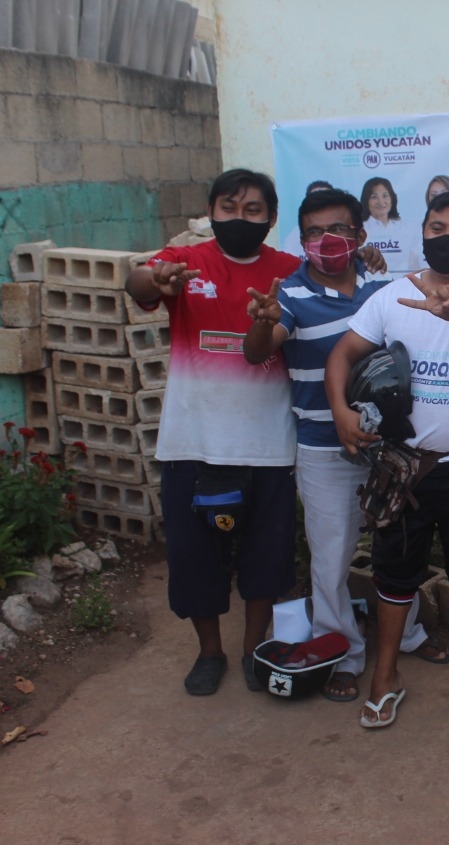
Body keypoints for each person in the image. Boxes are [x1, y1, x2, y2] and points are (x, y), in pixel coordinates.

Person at [325, 190, 449, 728]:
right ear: (422, 233)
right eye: (437, 227)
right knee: (394, 573)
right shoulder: (392, 295)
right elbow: (343, 353)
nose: (447, 238)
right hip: (401, 466)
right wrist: (341, 412)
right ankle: (384, 675)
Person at [242, 188, 449, 704]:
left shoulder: (381, 290)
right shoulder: (288, 297)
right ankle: (342, 652)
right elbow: (257, 353)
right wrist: (262, 322)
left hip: (387, 450)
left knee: (398, 550)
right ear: (302, 240)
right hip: (323, 449)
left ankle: (406, 636)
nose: (326, 241)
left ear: (360, 236)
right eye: (314, 232)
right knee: (331, 559)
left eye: (337, 230)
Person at [124, 168, 300, 696]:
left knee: (265, 558)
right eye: (229, 207)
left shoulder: (290, 271)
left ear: (270, 218)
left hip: (269, 441)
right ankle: (209, 653)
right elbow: (139, 281)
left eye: (253, 211)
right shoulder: (183, 264)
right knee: (195, 556)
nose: (240, 218)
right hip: (192, 439)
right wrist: (152, 281)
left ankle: (253, 650)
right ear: (211, 212)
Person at [361, 177, 420, 273]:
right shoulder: (361, 229)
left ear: (392, 198)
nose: (381, 202)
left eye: (385, 196)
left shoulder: (406, 227)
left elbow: (414, 262)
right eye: (374, 197)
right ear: (366, 201)